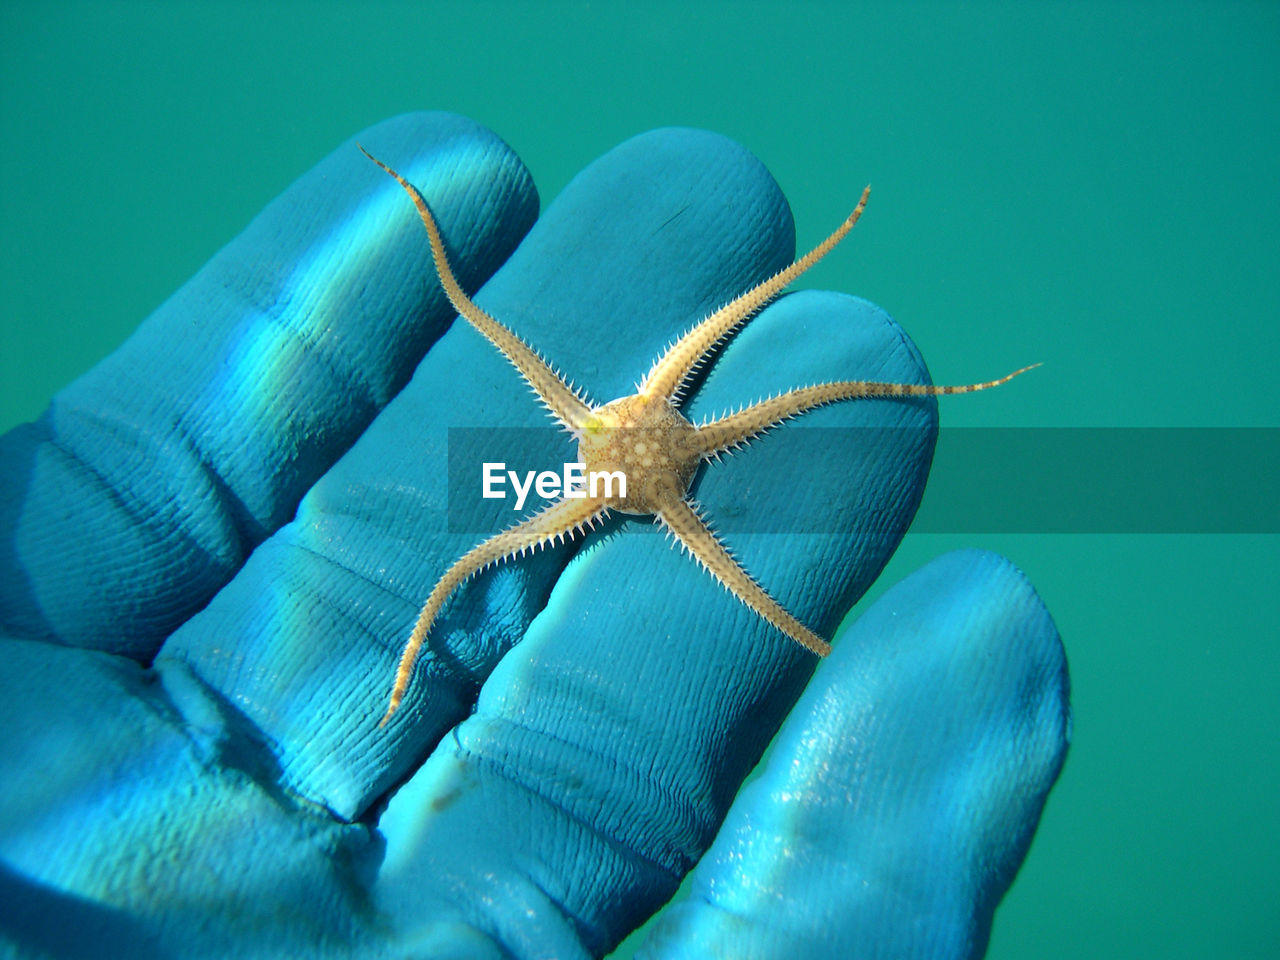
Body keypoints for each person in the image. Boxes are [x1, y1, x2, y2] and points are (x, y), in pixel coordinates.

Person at [0, 112, 1069, 959]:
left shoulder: (622, 445)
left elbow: (494, 344)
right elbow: (482, 377)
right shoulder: (609, 458)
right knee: (486, 505)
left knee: (764, 404)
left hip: (619, 465)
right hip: (612, 470)